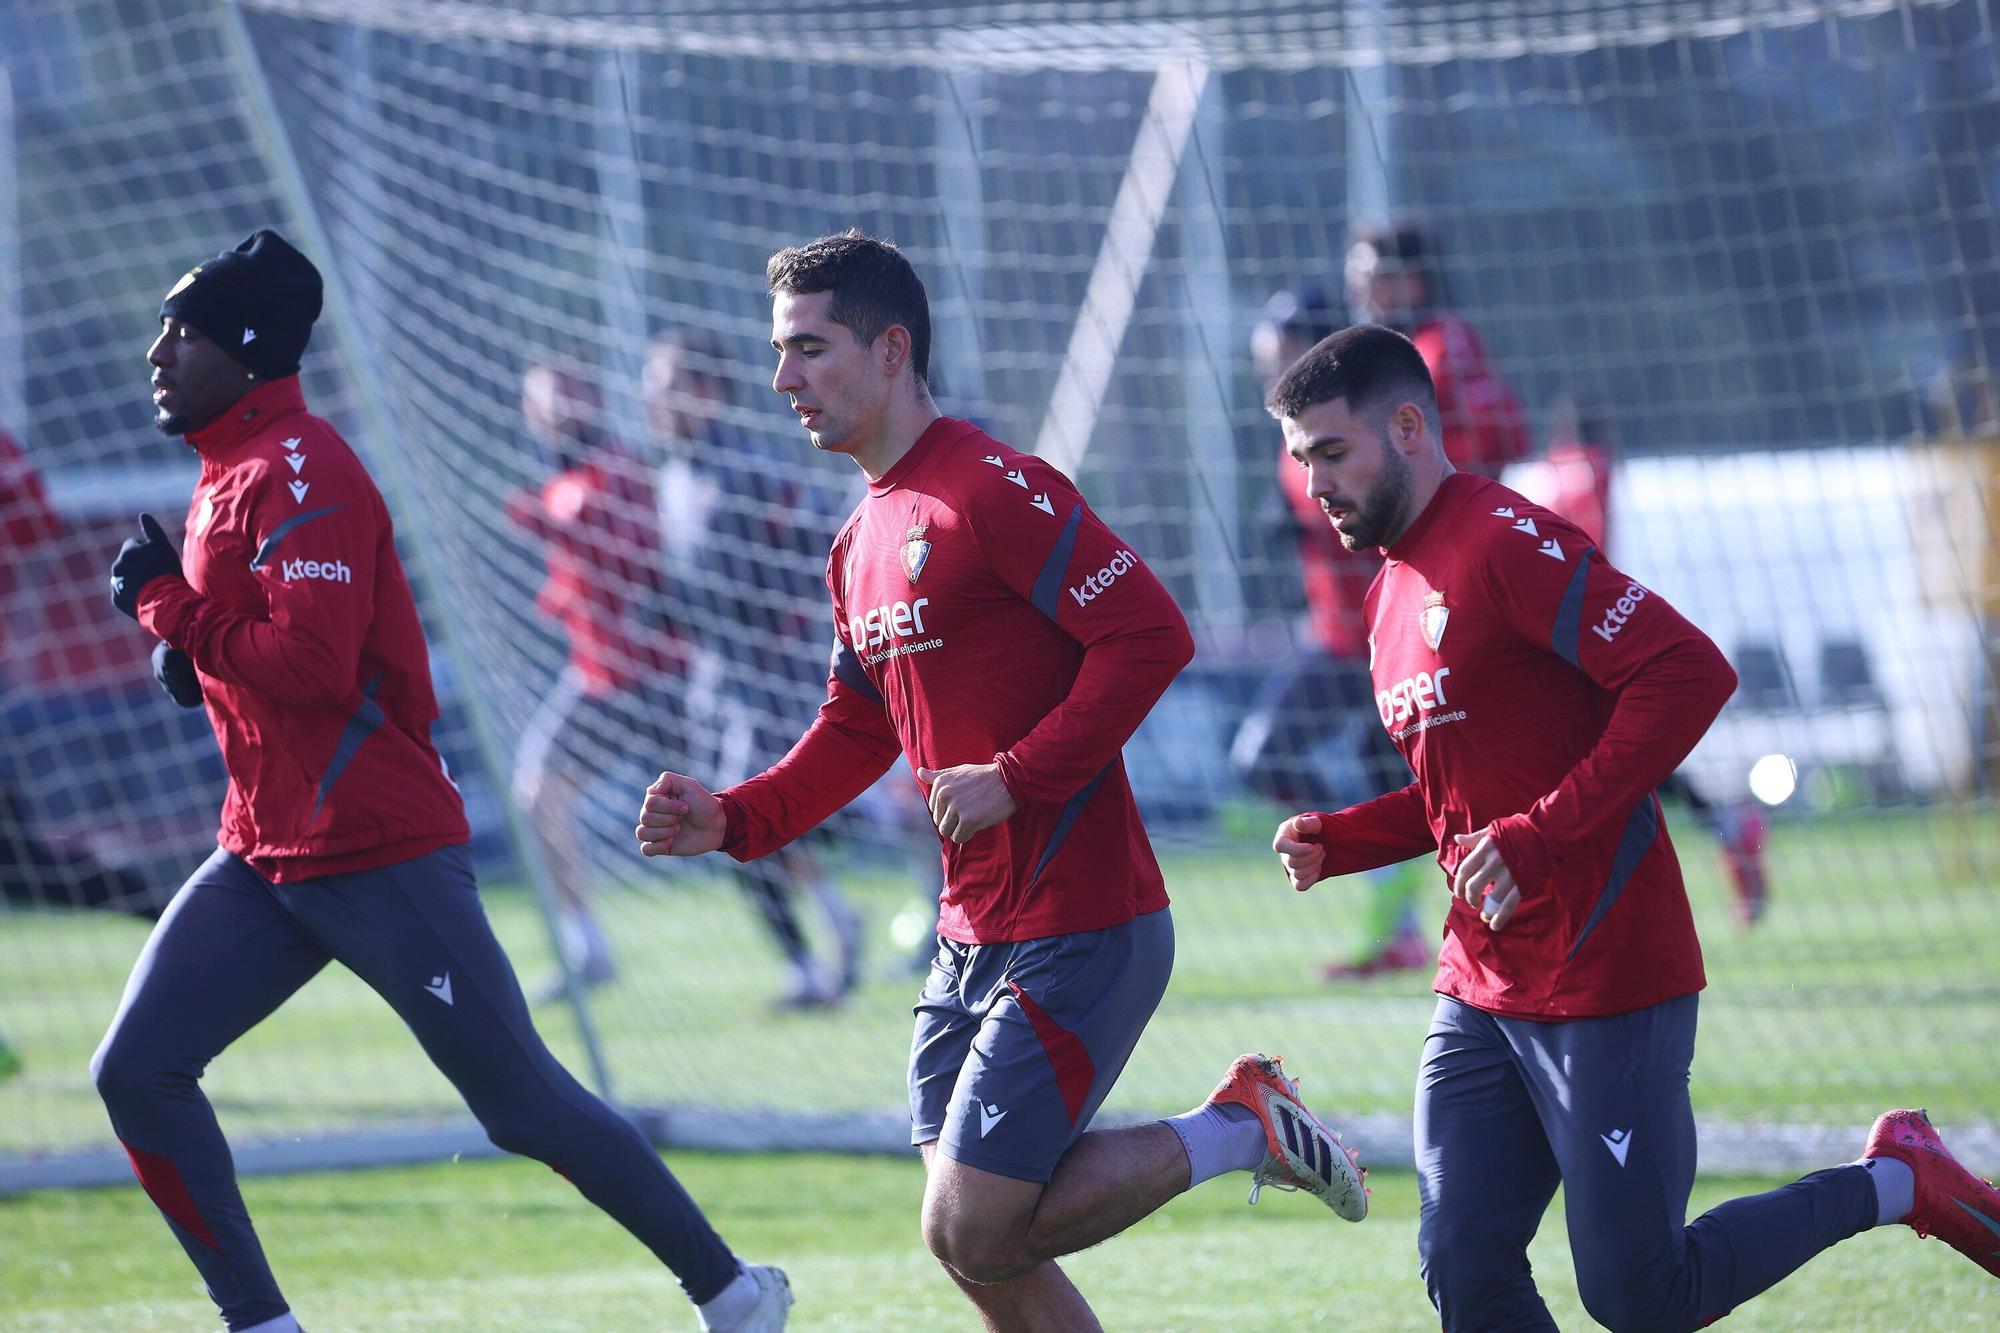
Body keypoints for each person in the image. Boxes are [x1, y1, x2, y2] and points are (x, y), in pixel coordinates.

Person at [637, 230, 1366, 1330]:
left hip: (1085, 921)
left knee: (971, 1224)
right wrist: (737, 818)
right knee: (974, 1245)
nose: (782, 378)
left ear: (891, 350)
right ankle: (1238, 1127)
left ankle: (1240, 1125)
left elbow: (1149, 636)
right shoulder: (856, 542)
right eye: (778, 352)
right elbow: (853, 725)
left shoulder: (991, 488)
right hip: (969, 930)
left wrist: (1018, 776)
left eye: (807, 348)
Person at [93, 229, 790, 1333]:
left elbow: (316, 667)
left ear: (248, 346)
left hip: (377, 849)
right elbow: (267, 652)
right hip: (265, 848)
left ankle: (734, 1294)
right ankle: (261, 1324)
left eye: (181, 331)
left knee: (519, 1103)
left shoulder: (299, 466)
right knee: (135, 1072)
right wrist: (192, 655)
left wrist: (170, 611)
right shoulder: (226, 470)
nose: (157, 351)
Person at [1266, 324, 2000, 1331]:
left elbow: (1687, 673)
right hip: (1479, 988)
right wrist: (1342, 839)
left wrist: (1538, 835)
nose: (1314, 484)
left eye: (1331, 453)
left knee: (1641, 1296)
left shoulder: (1502, 542)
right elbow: (1463, 804)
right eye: (1302, 460)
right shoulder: (1388, 590)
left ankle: (1894, 1180)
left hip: (1606, 970)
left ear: (1406, 425)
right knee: (1460, 1266)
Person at [644, 329, 863, 1006]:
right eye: (651, 383)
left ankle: (808, 961)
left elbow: (822, 550)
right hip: (714, 682)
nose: (654, 397)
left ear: (708, 395)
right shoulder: (671, 477)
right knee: (747, 823)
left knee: (733, 814)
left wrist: (790, 643)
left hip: (770, 681)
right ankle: (831, 920)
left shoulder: (753, 470)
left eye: (670, 383)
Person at [1234, 284, 1431, 979]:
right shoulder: (1293, 431)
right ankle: (1362, 849)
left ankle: (1405, 931)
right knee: (1262, 757)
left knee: (1435, 786)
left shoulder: (1359, 425)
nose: (1267, 371)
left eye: (1278, 356)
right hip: (1336, 640)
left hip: (1389, 641)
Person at [1519, 394, 1771, 925]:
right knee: (1627, 761)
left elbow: (1577, 547)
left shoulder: (1564, 473)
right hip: (1599, 628)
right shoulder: (1603, 470)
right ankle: (1730, 828)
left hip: (1577, 633)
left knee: (1613, 763)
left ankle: (1717, 834)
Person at [507, 355, 688, 998]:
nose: (549, 414)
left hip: (659, 679)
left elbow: (627, 554)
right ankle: (585, 947)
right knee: (537, 792)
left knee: (738, 801)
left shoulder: (614, 471)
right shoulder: (565, 478)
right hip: (599, 680)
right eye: (538, 403)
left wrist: (554, 518)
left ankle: (832, 916)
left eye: (559, 399)